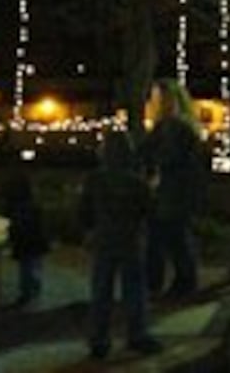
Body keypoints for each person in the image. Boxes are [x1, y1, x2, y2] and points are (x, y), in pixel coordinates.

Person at [79, 131, 163, 359]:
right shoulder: (136, 182)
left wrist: (88, 231)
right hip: (130, 240)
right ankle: (137, 335)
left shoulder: (94, 180)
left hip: (104, 240)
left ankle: (99, 340)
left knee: (101, 291)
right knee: (134, 290)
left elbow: (84, 211)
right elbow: (151, 212)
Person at [140, 77, 207, 297]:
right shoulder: (176, 126)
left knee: (170, 238)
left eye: (156, 98)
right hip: (174, 191)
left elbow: (167, 157)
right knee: (170, 238)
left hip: (172, 192)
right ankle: (172, 282)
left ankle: (177, 283)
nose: (152, 102)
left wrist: (154, 170)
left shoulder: (174, 127)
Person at [2, 169, 51, 309]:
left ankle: (27, 295)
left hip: (25, 242)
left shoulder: (15, 205)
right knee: (32, 268)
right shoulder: (32, 204)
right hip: (34, 241)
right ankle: (32, 294)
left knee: (27, 268)